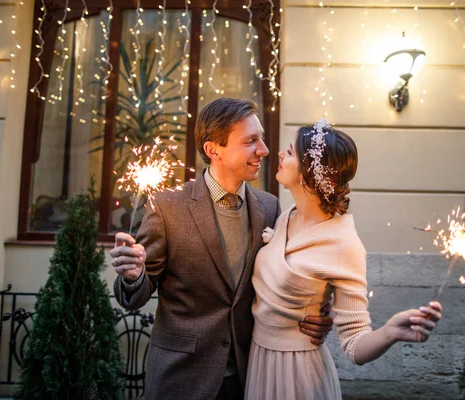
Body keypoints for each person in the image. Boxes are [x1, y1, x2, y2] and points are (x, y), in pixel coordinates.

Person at [110, 98, 334, 400]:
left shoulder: (270, 207)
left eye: (262, 138)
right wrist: (134, 275)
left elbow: (283, 280)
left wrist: (319, 312)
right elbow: (134, 298)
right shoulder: (167, 207)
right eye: (250, 141)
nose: (264, 150)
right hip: (181, 378)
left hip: (249, 376)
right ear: (213, 149)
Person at [244, 119, 443, 399]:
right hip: (259, 362)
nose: (279, 154)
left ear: (308, 172)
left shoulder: (344, 245)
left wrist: (390, 332)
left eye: (289, 152)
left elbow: (354, 345)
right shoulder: (284, 216)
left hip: (298, 374)